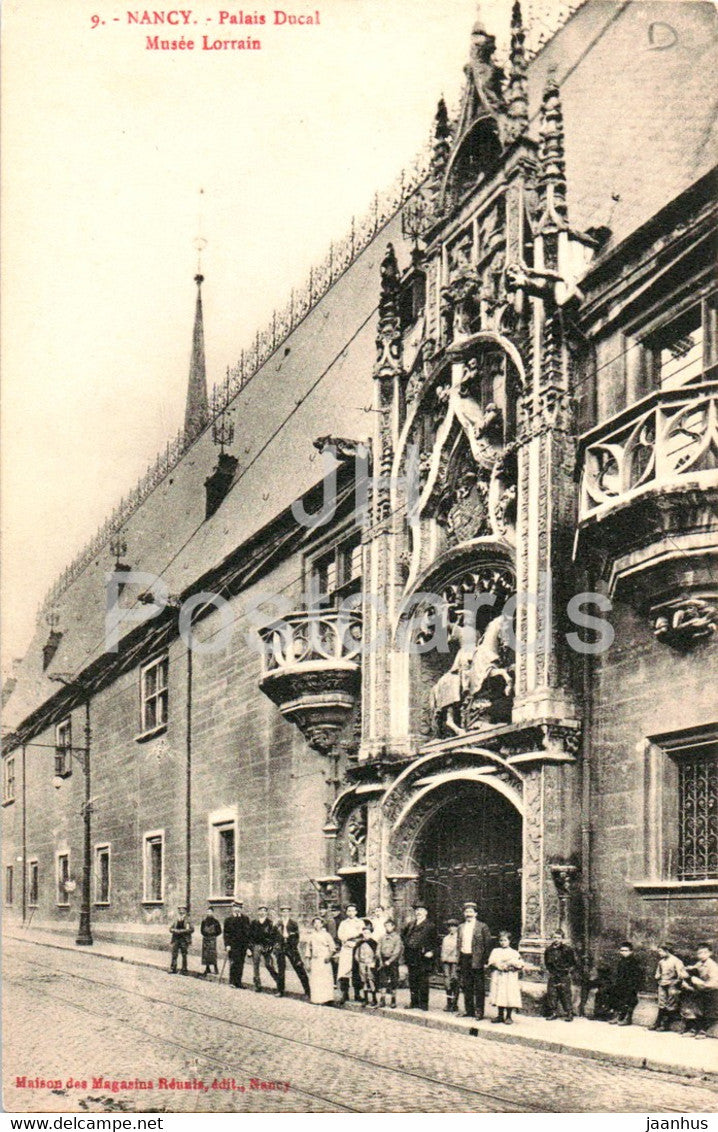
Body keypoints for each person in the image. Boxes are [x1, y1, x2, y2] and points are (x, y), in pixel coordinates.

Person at [457, 902, 492, 1020]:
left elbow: (487, 945)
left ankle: (479, 1011)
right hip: (464, 958)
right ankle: (469, 1010)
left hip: (477, 959)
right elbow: (459, 943)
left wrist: (486, 960)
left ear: (476, 914)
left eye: (471, 912)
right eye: (466, 912)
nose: (468, 914)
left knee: (479, 987)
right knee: (466, 985)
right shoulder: (461, 927)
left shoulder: (482, 926)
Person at [402, 904, 437, 1011]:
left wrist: (431, 951)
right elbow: (403, 936)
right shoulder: (410, 924)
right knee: (412, 980)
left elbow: (436, 942)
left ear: (426, 912)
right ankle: (414, 1002)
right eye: (417, 910)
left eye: (421, 910)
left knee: (423, 980)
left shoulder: (430, 926)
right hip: (411, 956)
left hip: (423, 957)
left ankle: (423, 1004)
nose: (418, 912)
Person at [681, 943, 718, 1039]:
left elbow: (714, 984)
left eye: (704, 952)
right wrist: (688, 970)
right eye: (699, 953)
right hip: (700, 990)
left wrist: (698, 982)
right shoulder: (699, 963)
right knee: (692, 1002)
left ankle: (702, 1030)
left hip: (711, 991)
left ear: (710, 953)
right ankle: (692, 1028)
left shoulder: (713, 966)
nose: (702, 955)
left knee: (707, 1007)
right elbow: (695, 969)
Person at [487, 930, 524, 1024]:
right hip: (499, 976)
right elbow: (491, 962)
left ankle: (508, 1016)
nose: (503, 942)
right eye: (501, 940)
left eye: (505, 940)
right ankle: (500, 1015)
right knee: (500, 994)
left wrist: (511, 966)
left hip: (509, 977)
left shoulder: (514, 952)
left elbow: (520, 965)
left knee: (508, 994)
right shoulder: (496, 951)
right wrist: (498, 966)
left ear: (509, 941)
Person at [275, 904, 311, 998]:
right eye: (283, 911)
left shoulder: (293, 923)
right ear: (281, 913)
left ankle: (308, 991)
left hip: (291, 948)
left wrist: (292, 945)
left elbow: (297, 937)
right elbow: (274, 937)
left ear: (289, 913)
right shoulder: (277, 923)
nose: (285, 913)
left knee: (299, 968)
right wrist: (277, 946)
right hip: (280, 948)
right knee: (281, 970)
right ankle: (280, 991)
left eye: (287, 911)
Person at [650, 942, 687, 1031]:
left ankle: (666, 1024)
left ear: (666, 951)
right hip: (662, 983)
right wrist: (658, 976)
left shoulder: (676, 961)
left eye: (661, 951)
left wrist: (675, 982)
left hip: (672, 984)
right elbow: (658, 973)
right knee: (662, 1003)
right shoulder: (661, 962)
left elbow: (680, 974)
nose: (659, 953)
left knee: (671, 1003)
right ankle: (657, 1022)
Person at [544, 928, 576, 1021]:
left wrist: (567, 971)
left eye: (559, 937)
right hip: (553, 975)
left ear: (562, 939)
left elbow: (573, 963)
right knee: (552, 993)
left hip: (564, 975)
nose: (556, 939)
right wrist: (551, 972)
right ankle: (553, 1012)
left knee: (565, 994)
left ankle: (569, 1013)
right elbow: (547, 963)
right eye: (554, 937)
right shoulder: (548, 950)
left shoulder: (567, 949)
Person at [336, 903, 364, 1006]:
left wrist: (354, 937)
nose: (351, 913)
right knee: (345, 971)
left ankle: (357, 994)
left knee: (356, 971)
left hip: (356, 948)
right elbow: (340, 935)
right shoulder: (344, 923)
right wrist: (349, 937)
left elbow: (362, 935)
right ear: (347, 912)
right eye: (349, 911)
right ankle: (345, 993)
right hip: (346, 948)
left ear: (356, 912)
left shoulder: (360, 922)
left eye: (353, 910)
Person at [610, 941, 643, 1026]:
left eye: (625, 950)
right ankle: (619, 1017)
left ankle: (627, 1019)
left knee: (630, 1001)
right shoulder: (621, 961)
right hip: (621, 984)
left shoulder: (635, 962)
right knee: (619, 1000)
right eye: (621, 950)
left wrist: (635, 986)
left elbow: (637, 976)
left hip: (631, 985)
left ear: (631, 951)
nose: (623, 952)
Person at [250, 904, 281, 993]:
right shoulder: (254, 923)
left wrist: (270, 946)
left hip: (267, 946)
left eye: (264, 911)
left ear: (266, 912)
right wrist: (250, 948)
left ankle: (278, 980)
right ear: (258, 912)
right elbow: (250, 936)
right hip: (256, 945)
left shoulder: (270, 923)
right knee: (256, 964)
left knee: (269, 964)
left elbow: (274, 936)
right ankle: (257, 984)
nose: (262, 912)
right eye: (260, 910)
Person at [306, 915, 336, 1006]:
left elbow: (332, 947)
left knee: (325, 979)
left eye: (319, 923)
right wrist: (307, 962)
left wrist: (329, 956)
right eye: (315, 923)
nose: (317, 925)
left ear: (322, 924)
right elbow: (308, 949)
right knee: (316, 979)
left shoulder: (326, 935)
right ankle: (317, 999)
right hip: (315, 960)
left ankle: (327, 998)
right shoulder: (311, 935)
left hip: (324, 959)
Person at [223, 898, 251, 988]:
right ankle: (232, 981)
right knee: (233, 963)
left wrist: (248, 947)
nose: (237, 909)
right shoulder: (228, 920)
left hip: (242, 945)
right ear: (232, 908)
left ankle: (238, 982)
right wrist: (227, 945)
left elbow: (248, 933)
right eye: (235, 907)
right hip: (233, 945)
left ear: (241, 908)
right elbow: (226, 934)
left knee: (241, 963)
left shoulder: (245, 919)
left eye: (239, 907)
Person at [377, 917, 402, 1009]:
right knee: (382, 980)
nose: (387, 927)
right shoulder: (382, 937)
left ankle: (393, 1000)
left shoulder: (397, 937)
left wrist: (390, 961)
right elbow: (378, 949)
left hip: (393, 961)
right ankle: (382, 1000)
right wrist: (380, 959)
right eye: (386, 926)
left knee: (393, 980)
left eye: (389, 926)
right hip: (383, 960)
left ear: (393, 926)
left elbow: (397, 951)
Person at [355, 922, 379, 1007]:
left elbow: (377, 954)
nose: (366, 935)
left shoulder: (374, 943)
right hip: (362, 964)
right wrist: (360, 961)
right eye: (364, 933)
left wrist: (373, 962)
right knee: (364, 981)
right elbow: (356, 954)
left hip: (370, 964)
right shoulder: (360, 943)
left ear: (371, 933)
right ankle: (365, 999)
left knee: (371, 980)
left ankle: (374, 999)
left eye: (368, 933)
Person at [440, 918, 460, 1012]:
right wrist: (443, 958)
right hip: (446, 962)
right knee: (447, 982)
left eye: (454, 926)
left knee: (454, 980)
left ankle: (455, 1004)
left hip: (455, 962)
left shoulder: (459, 938)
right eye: (450, 926)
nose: (452, 928)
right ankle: (449, 1003)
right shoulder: (446, 938)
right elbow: (443, 950)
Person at [169, 905, 194, 975]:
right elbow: (170, 928)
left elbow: (192, 929)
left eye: (182, 910)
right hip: (176, 939)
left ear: (185, 911)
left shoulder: (188, 919)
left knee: (184, 954)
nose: (181, 911)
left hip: (184, 939)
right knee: (174, 954)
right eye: (180, 910)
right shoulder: (176, 919)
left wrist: (182, 931)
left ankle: (184, 969)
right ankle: (173, 968)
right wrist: (174, 930)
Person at [200, 903, 222, 976]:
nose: (209, 913)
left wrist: (214, 935)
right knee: (206, 954)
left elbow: (219, 931)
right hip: (206, 938)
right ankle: (207, 968)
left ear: (213, 913)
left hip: (212, 939)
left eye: (210, 912)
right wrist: (205, 934)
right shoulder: (204, 921)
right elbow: (201, 930)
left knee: (213, 953)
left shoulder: (216, 922)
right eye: (208, 912)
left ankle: (215, 968)